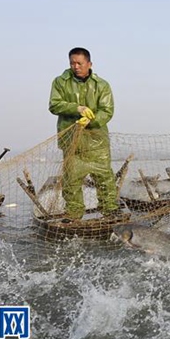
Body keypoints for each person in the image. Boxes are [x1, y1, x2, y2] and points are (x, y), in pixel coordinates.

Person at [48, 47, 119, 219]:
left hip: (97, 142)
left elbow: (107, 110)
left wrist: (91, 120)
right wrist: (76, 108)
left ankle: (109, 212)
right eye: (72, 63)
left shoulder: (101, 85)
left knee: (104, 178)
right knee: (71, 180)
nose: (76, 66)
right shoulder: (60, 82)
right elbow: (54, 105)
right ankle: (73, 215)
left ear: (89, 64)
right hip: (72, 142)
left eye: (79, 63)